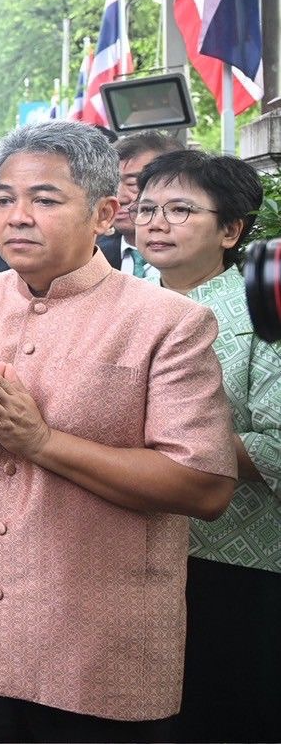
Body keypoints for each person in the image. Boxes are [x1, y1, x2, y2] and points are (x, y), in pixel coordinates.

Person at [0, 120, 236, 742]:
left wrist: (42, 442)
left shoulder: (168, 322)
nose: (17, 217)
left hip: (96, 648)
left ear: (105, 214)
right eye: (3, 199)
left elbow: (204, 487)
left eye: (45, 199)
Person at [132, 150, 281, 744]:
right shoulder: (119, 301)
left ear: (230, 230)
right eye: (147, 208)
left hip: (231, 561)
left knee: (221, 709)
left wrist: (170, 450)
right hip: (130, 547)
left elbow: (277, 445)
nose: (157, 222)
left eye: (180, 209)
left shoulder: (263, 309)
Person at [98, 130, 179, 278]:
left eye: (133, 183)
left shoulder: (200, 262)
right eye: (111, 184)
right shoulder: (92, 258)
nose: (118, 197)